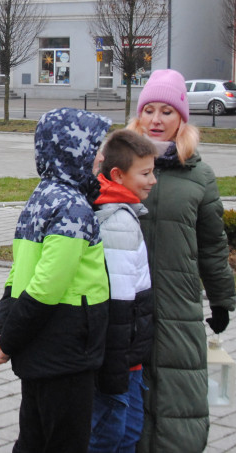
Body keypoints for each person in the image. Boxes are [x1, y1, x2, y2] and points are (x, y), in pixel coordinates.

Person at [0, 107, 112, 453]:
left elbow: (18, 273)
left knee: (34, 436)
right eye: (95, 147)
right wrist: (8, 341)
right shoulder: (73, 208)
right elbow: (46, 287)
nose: (101, 156)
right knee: (64, 441)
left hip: (40, 344)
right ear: (73, 150)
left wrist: (3, 329)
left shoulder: (42, 196)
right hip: (67, 345)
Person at [125, 69, 236, 452]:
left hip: (178, 305)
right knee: (125, 408)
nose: (156, 120)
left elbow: (212, 244)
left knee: (178, 402)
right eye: (149, 110)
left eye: (167, 112)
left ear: (182, 118)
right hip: (124, 304)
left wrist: (222, 299)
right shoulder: (117, 167)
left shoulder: (199, 175)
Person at [90, 130, 157, 453]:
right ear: (118, 174)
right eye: (145, 173)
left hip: (127, 358)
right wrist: (118, 373)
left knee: (126, 434)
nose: (153, 180)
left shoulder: (123, 215)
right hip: (120, 363)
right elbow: (116, 308)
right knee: (112, 438)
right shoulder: (117, 224)